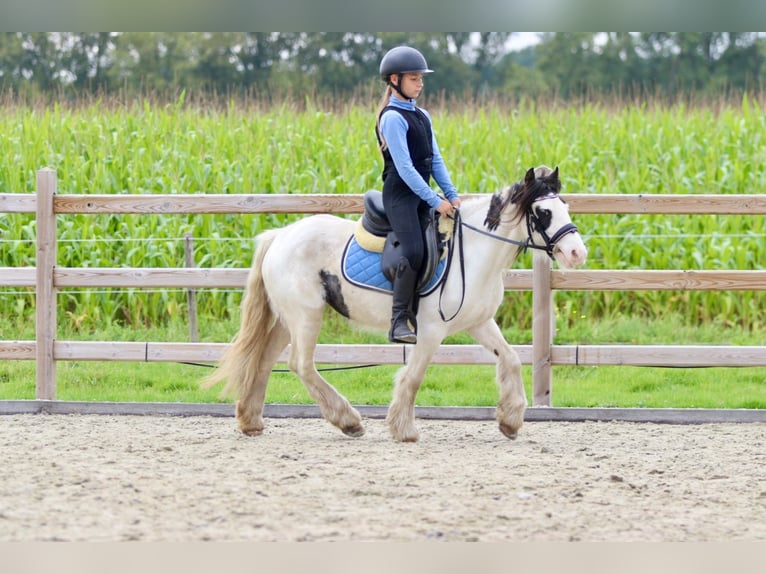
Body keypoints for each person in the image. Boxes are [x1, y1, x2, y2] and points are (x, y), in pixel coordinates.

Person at [375, 45, 462, 344]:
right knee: (413, 250)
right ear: (395, 80)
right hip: (400, 195)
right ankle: (399, 320)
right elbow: (406, 168)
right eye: (414, 78)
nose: (420, 83)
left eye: (421, 78)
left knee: (438, 246)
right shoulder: (392, 117)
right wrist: (435, 201)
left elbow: (434, 160)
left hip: (421, 194)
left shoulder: (422, 115)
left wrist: (452, 194)